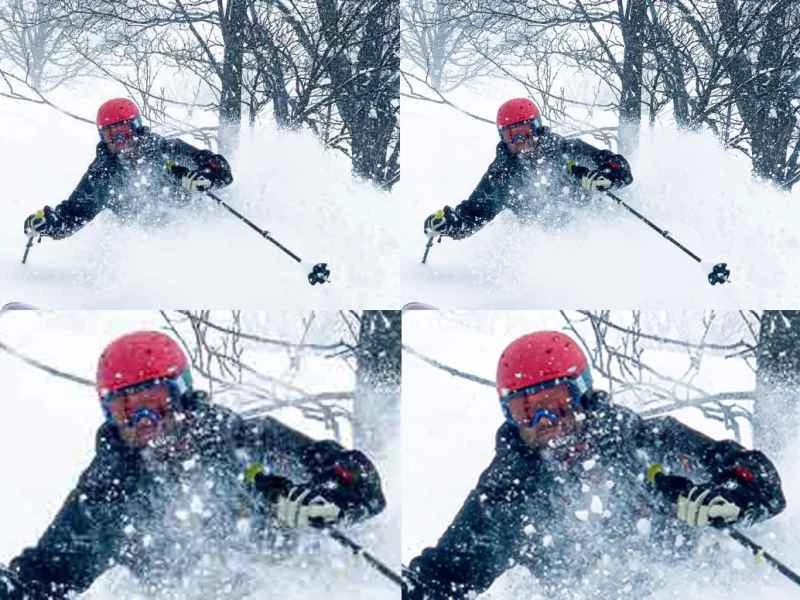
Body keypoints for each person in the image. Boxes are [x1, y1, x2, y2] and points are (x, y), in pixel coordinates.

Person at [0, 331, 386, 600]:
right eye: (126, 411)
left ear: (183, 397)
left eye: (156, 403)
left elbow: (360, 482)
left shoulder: (243, 440)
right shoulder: (109, 489)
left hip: (292, 583)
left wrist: (328, 500)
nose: (145, 424)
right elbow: (45, 577)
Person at [404, 331, 786, 600]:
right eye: (526, 411)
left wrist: (732, 497)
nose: (546, 424)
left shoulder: (644, 442)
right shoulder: (510, 490)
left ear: (583, 396)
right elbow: (446, 576)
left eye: (556, 403)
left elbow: (757, 479)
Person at [23, 98, 233, 240]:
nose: (118, 141)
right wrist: (50, 223)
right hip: (148, 244)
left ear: (135, 127)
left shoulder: (167, 149)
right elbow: (74, 213)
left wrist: (206, 177)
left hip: (197, 227)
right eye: (109, 135)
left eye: (122, 132)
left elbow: (220, 170)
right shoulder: (103, 173)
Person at [423, 98, 634, 239]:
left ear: (537, 128)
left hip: (596, 228)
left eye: (524, 132)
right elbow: (475, 213)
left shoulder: (567, 150)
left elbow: (619, 168)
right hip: (548, 245)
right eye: (510, 136)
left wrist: (608, 176)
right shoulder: (502, 174)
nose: (519, 141)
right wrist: (450, 223)